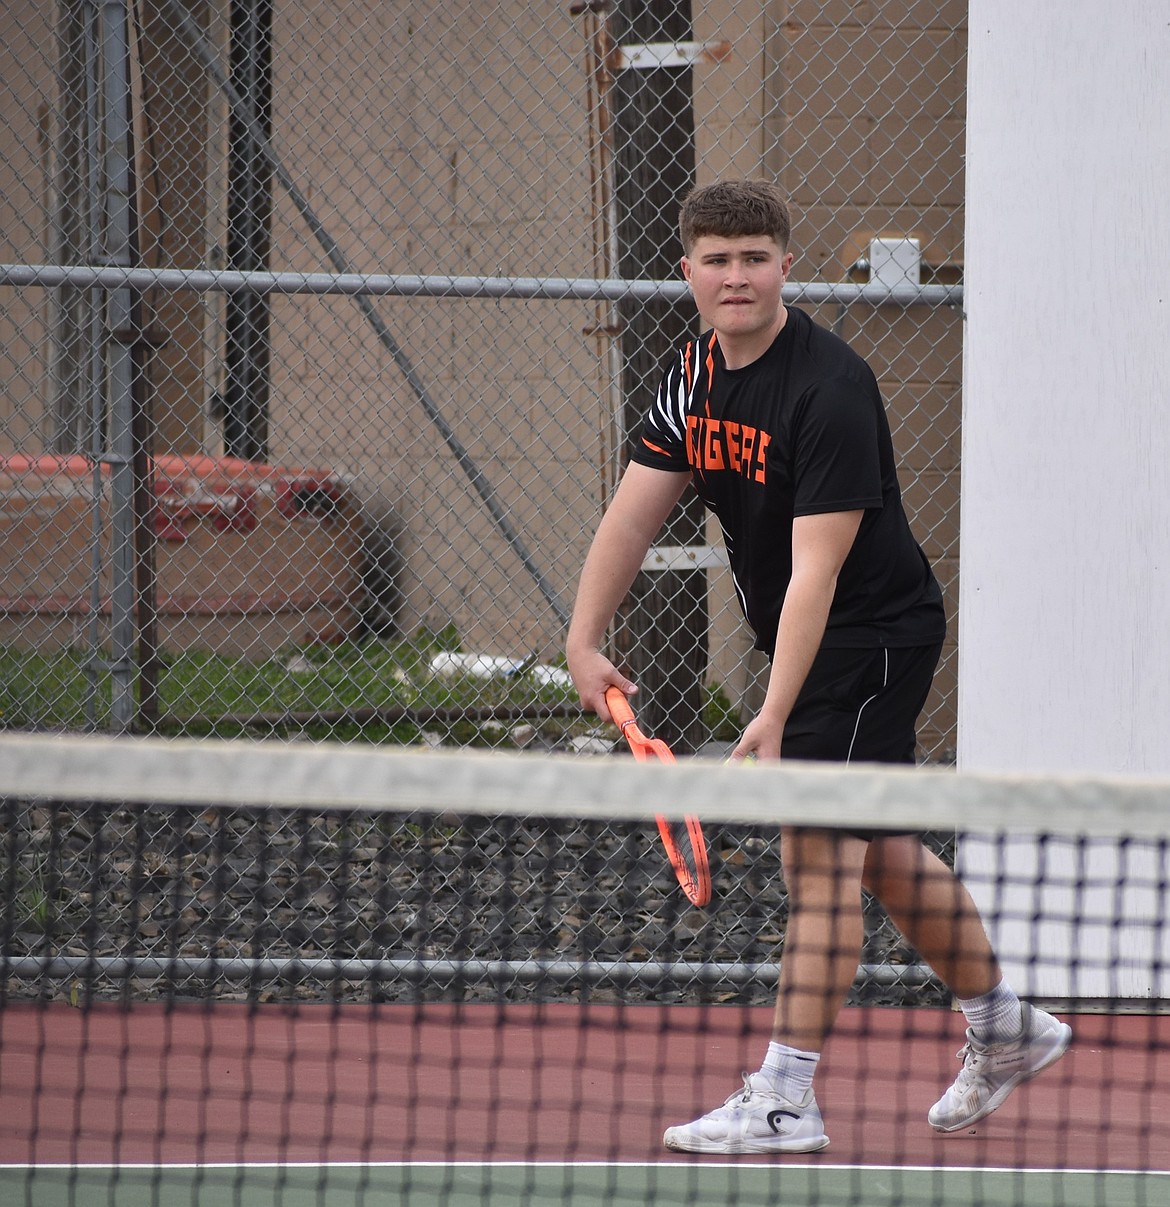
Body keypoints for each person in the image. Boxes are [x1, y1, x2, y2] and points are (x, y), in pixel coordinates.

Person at [565, 178, 1071, 1155]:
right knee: (878, 852)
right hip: (819, 640)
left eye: (755, 258)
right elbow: (632, 514)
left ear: (785, 266)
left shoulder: (830, 388)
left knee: (818, 858)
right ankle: (1006, 1025)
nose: (737, 277)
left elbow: (816, 574)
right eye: (717, 260)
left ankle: (786, 1097)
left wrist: (772, 709)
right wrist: (584, 640)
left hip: (867, 637)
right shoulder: (691, 376)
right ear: (687, 272)